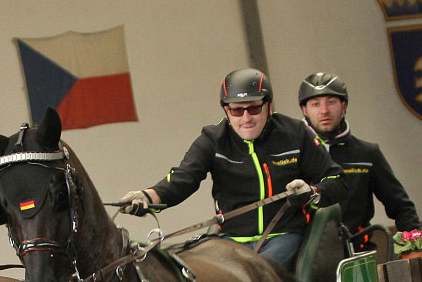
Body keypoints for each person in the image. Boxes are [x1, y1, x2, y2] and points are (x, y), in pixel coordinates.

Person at [119, 68, 347, 270]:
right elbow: (182, 178)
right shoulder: (212, 139)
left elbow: (337, 179)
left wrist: (312, 192)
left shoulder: (295, 133)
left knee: (258, 274)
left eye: (254, 109)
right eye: (237, 111)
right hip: (230, 240)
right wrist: (148, 196)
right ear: (227, 111)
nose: (246, 118)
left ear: (268, 106)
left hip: (285, 235)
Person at [298, 72, 420, 250]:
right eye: (315, 104)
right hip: (306, 258)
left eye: (331, 102)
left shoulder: (367, 154)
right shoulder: (293, 155)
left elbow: (402, 207)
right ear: (305, 110)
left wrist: (415, 247)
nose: (324, 110)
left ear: (344, 105)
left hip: (358, 252)